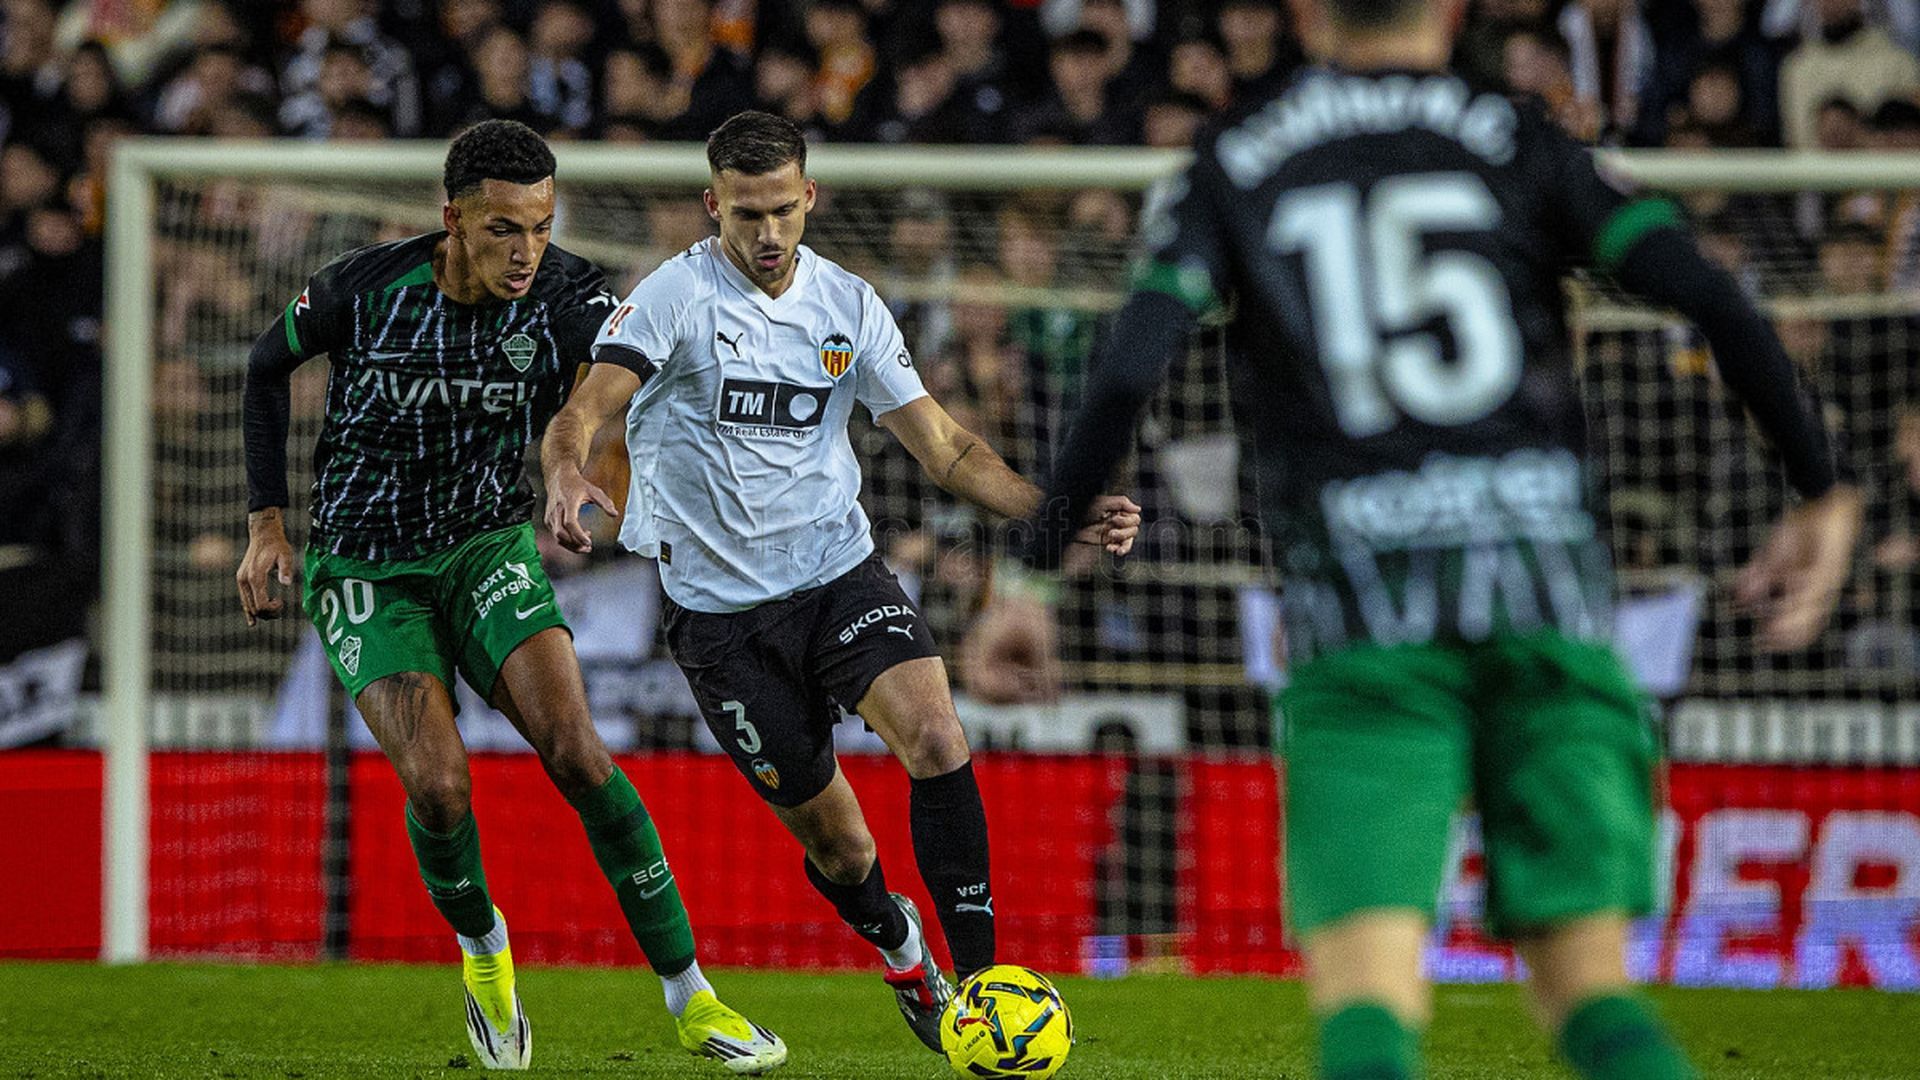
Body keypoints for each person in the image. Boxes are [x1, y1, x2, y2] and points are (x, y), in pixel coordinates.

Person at [988, 2, 1862, 1078]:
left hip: (1365, 622)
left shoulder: (1233, 160)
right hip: (1542, 596)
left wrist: (1029, 576)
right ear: (1453, 8)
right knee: (1589, 993)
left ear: (1305, 13)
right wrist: (1822, 489)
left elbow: (1125, 371)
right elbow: (1713, 298)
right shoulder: (1522, 134)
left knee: (1370, 1008)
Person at [539, 110, 1138, 1055]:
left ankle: (983, 991)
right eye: (745, 215)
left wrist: (1057, 509)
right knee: (842, 847)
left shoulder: (848, 304)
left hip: (836, 576)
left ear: (809, 198)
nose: (767, 235)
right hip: (722, 624)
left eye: (782, 210)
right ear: (713, 207)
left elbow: (944, 447)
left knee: (939, 734)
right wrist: (568, 469)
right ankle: (905, 953)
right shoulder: (670, 299)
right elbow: (584, 409)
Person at [235, 119, 785, 1074]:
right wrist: (266, 522)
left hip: (487, 549)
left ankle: (693, 999)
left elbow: (604, 387)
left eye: (540, 225)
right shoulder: (362, 290)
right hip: (367, 566)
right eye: (502, 230)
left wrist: (572, 467)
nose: (527, 251)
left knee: (577, 752)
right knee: (442, 788)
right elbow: (262, 369)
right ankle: (486, 954)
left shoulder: (570, 293)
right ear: (453, 220)